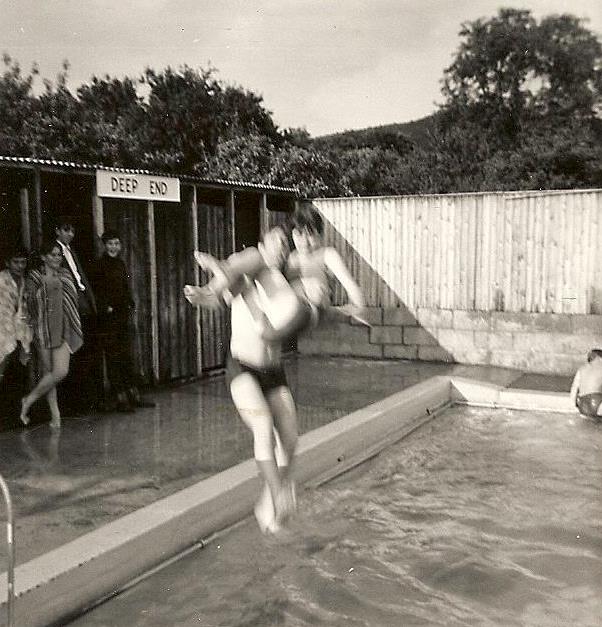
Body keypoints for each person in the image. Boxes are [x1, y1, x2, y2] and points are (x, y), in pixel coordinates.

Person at [185, 226, 302, 534]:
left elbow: (277, 325)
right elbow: (220, 296)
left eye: (284, 246)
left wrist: (215, 270)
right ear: (262, 246)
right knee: (263, 425)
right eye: (275, 242)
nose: (280, 248)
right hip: (242, 368)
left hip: (272, 371)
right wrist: (203, 294)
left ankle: (269, 495)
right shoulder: (242, 276)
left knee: (289, 436)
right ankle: (277, 495)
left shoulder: (282, 287)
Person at [20, 240, 83, 428]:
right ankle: (55, 416)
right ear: (43, 257)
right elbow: (29, 303)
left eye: (59, 255)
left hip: (62, 328)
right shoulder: (34, 277)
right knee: (49, 373)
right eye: (52, 255)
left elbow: (73, 299)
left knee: (61, 371)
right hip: (43, 329)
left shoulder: (65, 274)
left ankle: (28, 400)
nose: (56, 258)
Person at [93, 230, 155, 412]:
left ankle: (133, 395)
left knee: (127, 356)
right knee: (113, 357)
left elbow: (125, 287)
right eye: (110, 244)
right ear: (104, 245)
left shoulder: (120, 264)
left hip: (122, 315)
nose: (114, 247)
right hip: (108, 318)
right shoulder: (99, 265)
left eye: (117, 244)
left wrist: (129, 303)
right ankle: (120, 399)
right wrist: (106, 306)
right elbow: (96, 291)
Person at [287, 206, 369, 326]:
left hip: (317, 311)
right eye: (298, 234)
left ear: (320, 235)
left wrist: (359, 307)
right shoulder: (291, 257)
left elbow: (349, 284)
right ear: (292, 235)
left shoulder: (327, 254)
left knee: (312, 288)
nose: (304, 241)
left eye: (310, 235)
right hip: (292, 316)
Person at [55, 218, 99, 414]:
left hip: (82, 305)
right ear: (57, 231)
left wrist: (90, 302)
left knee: (84, 353)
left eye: (72, 230)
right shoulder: (55, 252)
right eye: (66, 230)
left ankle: (83, 400)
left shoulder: (70, 250)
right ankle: (71, 403)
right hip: (71, 306)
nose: (70, 234)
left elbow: (79, 277)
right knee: (70, 354)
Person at [0, 246, 33, 383]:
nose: (20, 266)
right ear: (8, 263)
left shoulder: (25, 281)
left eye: (23, 262)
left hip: (17, 323)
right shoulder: (1, 280)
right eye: (16, 262)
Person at [569, 349, 602, 419]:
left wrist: (573, 405)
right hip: (597, 401)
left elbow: (574, 388)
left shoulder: (582, 369)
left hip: (582, 403)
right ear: (600, 358)